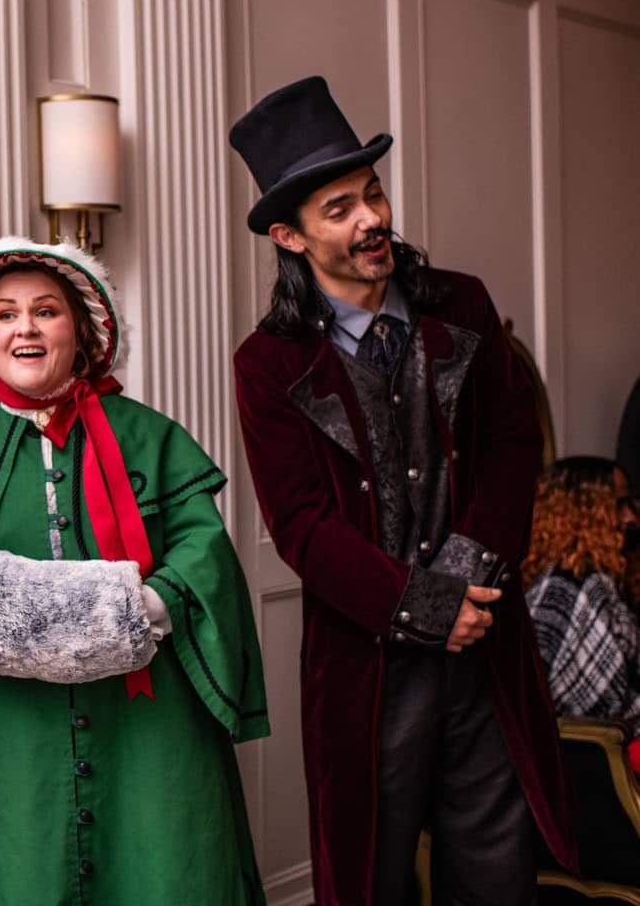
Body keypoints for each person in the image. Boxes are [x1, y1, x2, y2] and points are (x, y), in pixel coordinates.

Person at [229, 75, 577, 904]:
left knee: (498, 878)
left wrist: (462, 590)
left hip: (486, 647)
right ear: (290, 236)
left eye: (372, 195)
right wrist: (421, 607)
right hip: (366, 668)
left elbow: (511, 444)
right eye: (340, 210)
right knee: (371, 881)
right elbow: (304, 528)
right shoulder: (267, 364)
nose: (372, 219)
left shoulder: (463, 304)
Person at [0, 237, 269, 904]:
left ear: (81, 329)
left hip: (144, 726)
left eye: (45, 311)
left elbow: (205, 552)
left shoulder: (151, 437)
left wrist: (145, 607)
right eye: (6, 314)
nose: (25, 327)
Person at [523, 456, 640, 772]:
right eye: (618, 505)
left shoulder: (606, 581)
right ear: (579, 513)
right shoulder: (563, 589)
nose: (631, 517)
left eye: (632, 503)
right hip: (588, 764)